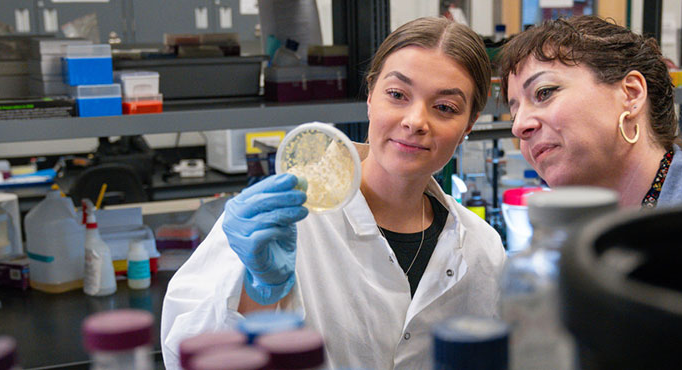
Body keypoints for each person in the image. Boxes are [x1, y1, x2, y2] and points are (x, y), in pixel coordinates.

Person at [161, 17, 504, 369]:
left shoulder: (482, 250)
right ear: (370, 96)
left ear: (469, 124)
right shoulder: (287, 218)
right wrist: (256, 292)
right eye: (397, 95)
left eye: (445, 107)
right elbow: (186, 354)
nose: (416, 121)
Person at [498, 15, 682, 208]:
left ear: (631, 95)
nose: (519, 127)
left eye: (544, 92)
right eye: (515, 113)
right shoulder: (572, 235)